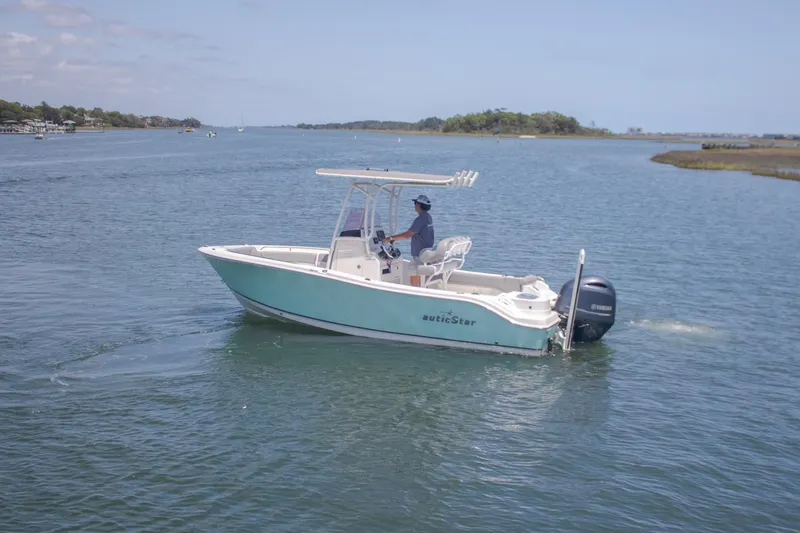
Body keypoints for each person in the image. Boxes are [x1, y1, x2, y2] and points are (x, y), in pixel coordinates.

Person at [385, 194, 434, 262]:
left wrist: (390, 238)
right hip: (427, 252)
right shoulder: (428, 217)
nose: (414, 205)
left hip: (421, 255)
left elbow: (407, 235)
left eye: (415, 203)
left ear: (419, 204)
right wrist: (395, 239)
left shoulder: (420, 219)